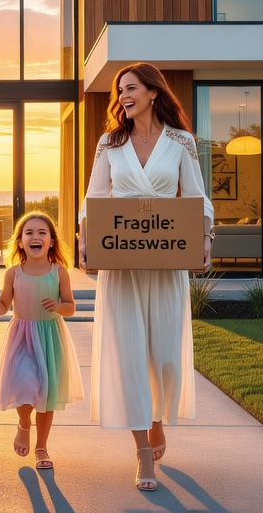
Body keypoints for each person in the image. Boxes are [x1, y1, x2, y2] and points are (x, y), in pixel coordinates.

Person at [78, 62, 214, 493]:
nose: (122, 97)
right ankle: (142, 454)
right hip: (122, 267)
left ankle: (156, 417)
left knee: (166, 357)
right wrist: (86, 243)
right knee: (131, 355)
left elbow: (196, 197)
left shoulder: (181, 141)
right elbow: (94, 199)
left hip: (166, 264)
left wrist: (205, 238)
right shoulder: (109, 143)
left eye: (130, 88)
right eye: (120, 91)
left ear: (154, 93)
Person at [0, 211, 83, 472]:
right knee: (25, 384)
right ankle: (24, 423)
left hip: (50, 337)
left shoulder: (59, 272)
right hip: (22, 337)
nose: (35, 237)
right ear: (19, 241)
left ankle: (41, 446)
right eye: (29, 233)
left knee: (47, 395)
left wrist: (59, 306)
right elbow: (5, 302)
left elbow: (71, 307)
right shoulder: (13, 273)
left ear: (51, 241)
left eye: (42, 233)